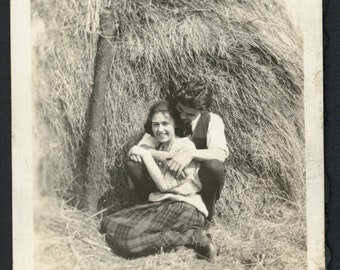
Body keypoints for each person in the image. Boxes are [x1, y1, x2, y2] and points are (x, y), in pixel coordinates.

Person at [101, 101, 215, 260]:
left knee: (128, 241)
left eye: (165, 123)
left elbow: (164, 185)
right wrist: (137, 152)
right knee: (108, 222)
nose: (160, 129)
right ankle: (180, 237)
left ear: (175, 124)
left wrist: (143, 153)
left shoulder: (185, 147)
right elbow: (131, 184)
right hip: (162, 204)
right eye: (155, 125)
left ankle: (191, 237)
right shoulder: (160, 149)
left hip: (184, 207)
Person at [126, 80, 229, 222]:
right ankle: (148, 206)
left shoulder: (212, 120)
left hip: (193, 182)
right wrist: (164, 157)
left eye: (190, 115)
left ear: (202, 110)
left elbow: (220, 154)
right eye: (180, 110)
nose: (182, 117)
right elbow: (144, 146)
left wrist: (189, 154)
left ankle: (206, 214)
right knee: (133, 163)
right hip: (164, 178)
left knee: (214, 167)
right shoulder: (168, 114)